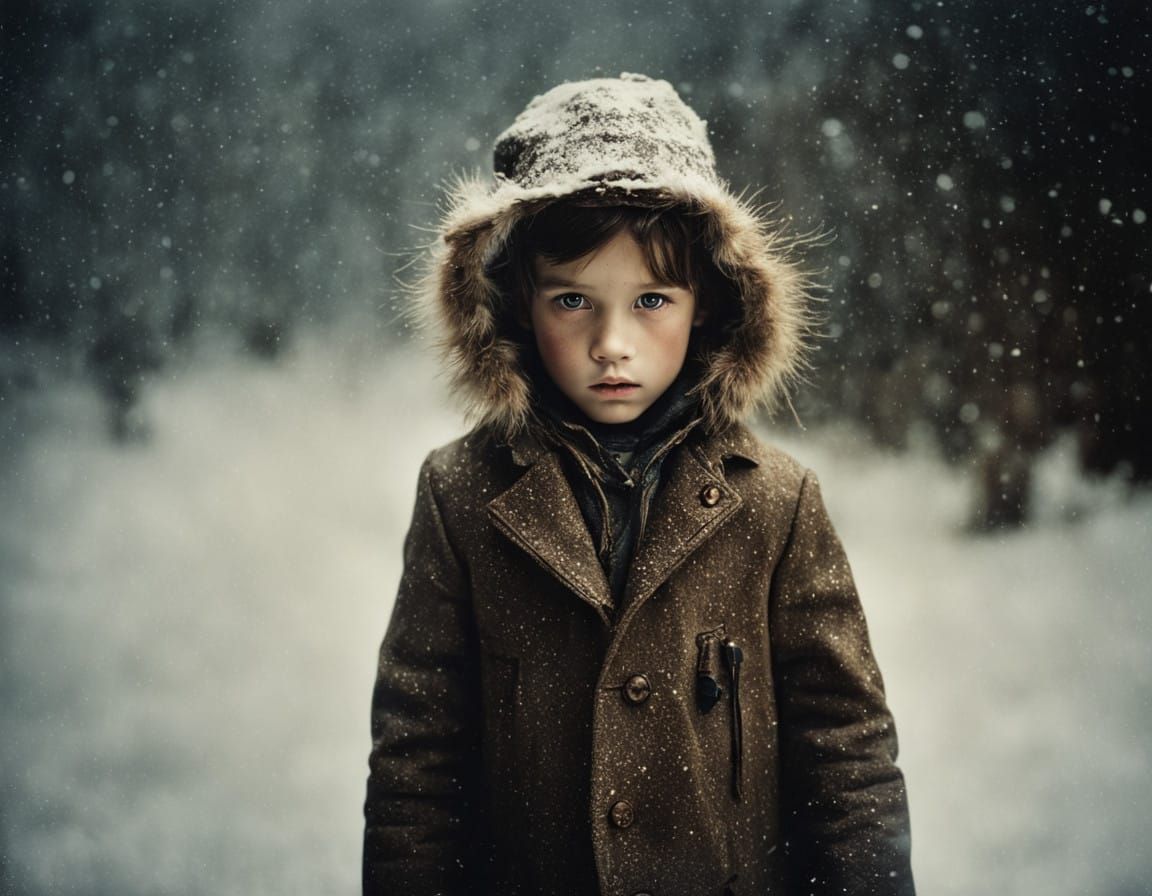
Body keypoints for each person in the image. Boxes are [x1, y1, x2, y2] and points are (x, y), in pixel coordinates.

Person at [363, 73, 914, 896]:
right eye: (574, 300)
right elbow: (417, 764)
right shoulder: (461, 496)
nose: (611, 342)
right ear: (518, 307)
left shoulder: (776, 503)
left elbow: (847, 756)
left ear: (712, 306)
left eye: (652, 299)